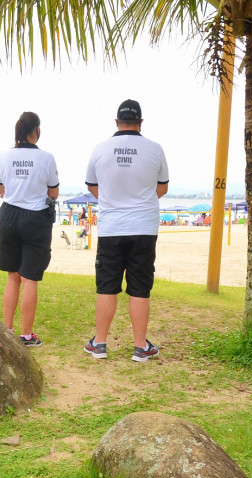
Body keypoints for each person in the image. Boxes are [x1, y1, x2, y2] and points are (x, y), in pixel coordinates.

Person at [83, 99, 169, 362]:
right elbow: (162, 188)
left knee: (106, 286)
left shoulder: (100, 149)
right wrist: (140, 201)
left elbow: (92, 185)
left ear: (116, 122)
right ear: (140, 122)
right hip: (143, 227)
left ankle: (99, 343)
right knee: (140, 287)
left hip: (111, 227)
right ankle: (140, 347)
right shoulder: (155, 149)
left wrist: (112, 200)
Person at [0, 111, 60, 347]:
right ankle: (26, 335)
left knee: (13, 276)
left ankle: (7, 330)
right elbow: (54, 192)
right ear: (37, 130)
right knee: (30, 279)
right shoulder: (46, 158)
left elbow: (1, 188)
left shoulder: (4, 156)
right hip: (35, 218)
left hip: (9, 215)